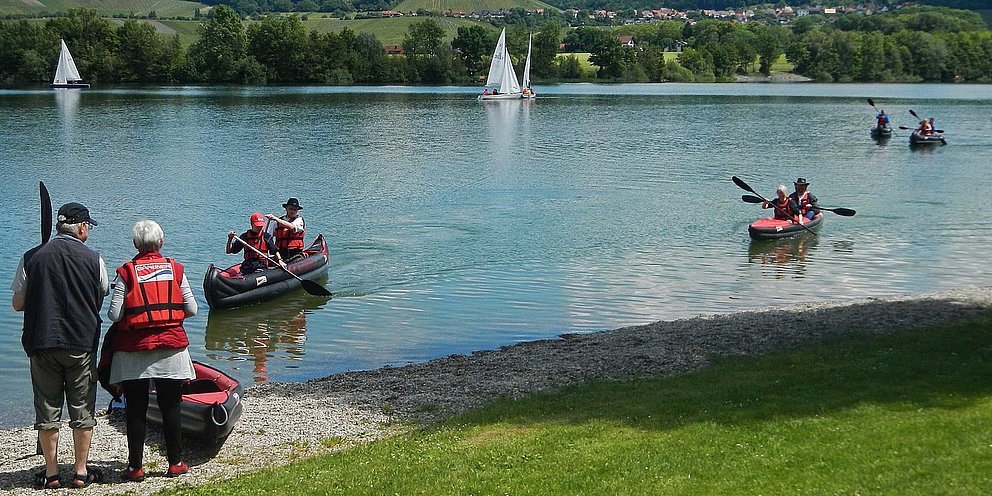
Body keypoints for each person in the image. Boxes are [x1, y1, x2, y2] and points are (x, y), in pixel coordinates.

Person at [11, 202, 108, 489]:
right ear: (80, 227)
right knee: (82, 409)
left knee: (47, 409)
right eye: (88, 225)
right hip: (80, 342)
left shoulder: (31, 257)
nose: (88, 230)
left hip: (41, 342)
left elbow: (18, 304)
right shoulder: (94, 259)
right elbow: (100, 295)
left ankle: (52, 473)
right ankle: (80, 472)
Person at [108, 220, 196, 482]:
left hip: (133, 350)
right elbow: (192, 309)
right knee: (171, 405)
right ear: (161, 242)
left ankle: (135, 468)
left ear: (136, 244)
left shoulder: (127, 272)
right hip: (171, 348)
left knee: (136, 409)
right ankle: (175, 463)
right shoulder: (175, 268)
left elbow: (114, 314)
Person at [267, 198, 306, 262]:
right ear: (286, 208)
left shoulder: (299, 220)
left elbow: (292, 227)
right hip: (280, 254)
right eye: (291, 209)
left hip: (295, 254)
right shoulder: (277, 222)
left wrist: (275, 218)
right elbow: (269, 236)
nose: (292, 211)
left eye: (295, 209)